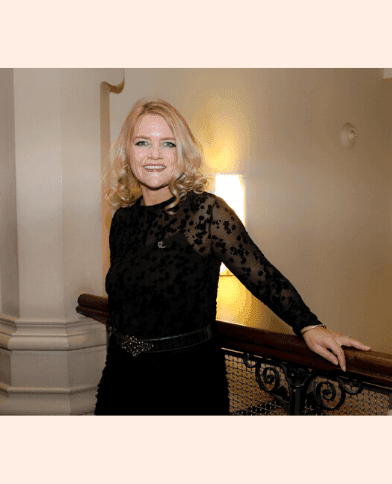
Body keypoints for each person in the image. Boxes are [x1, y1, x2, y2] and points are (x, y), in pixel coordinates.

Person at [95, 98, 371, 415]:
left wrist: (309, 326)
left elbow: (263, 276)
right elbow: (125, 305)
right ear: (127, 152)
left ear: (182, 154)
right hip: (122, 377)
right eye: (142, 142)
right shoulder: (123, 220)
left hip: (186, 382)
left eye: (168, 143)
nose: (154, 154)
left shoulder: (206, 212)